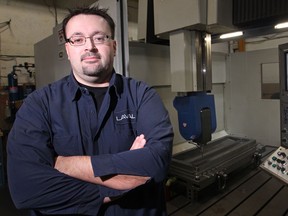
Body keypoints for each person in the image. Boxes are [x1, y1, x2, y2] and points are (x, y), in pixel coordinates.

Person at [7, 4, 174, 216]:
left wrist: (66, 165)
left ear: (113, 46)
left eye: (99, 37)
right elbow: (26, 188)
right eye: (78, 39)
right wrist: (112, 187)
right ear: (68, 50)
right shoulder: (39, 103)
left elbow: (156, 164)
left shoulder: (142, 95)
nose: (90, 47)